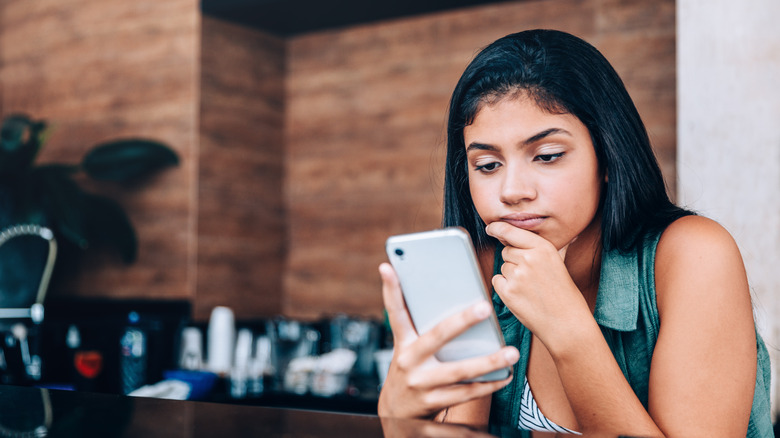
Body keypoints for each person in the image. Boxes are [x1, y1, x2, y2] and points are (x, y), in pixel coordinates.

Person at [376, 29, 772, 437]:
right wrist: (400, 416)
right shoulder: (479, 267)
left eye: (547, 156)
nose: (512, 191)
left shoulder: (693, 256)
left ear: (607, 155)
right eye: (488, 165)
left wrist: (569, 330)